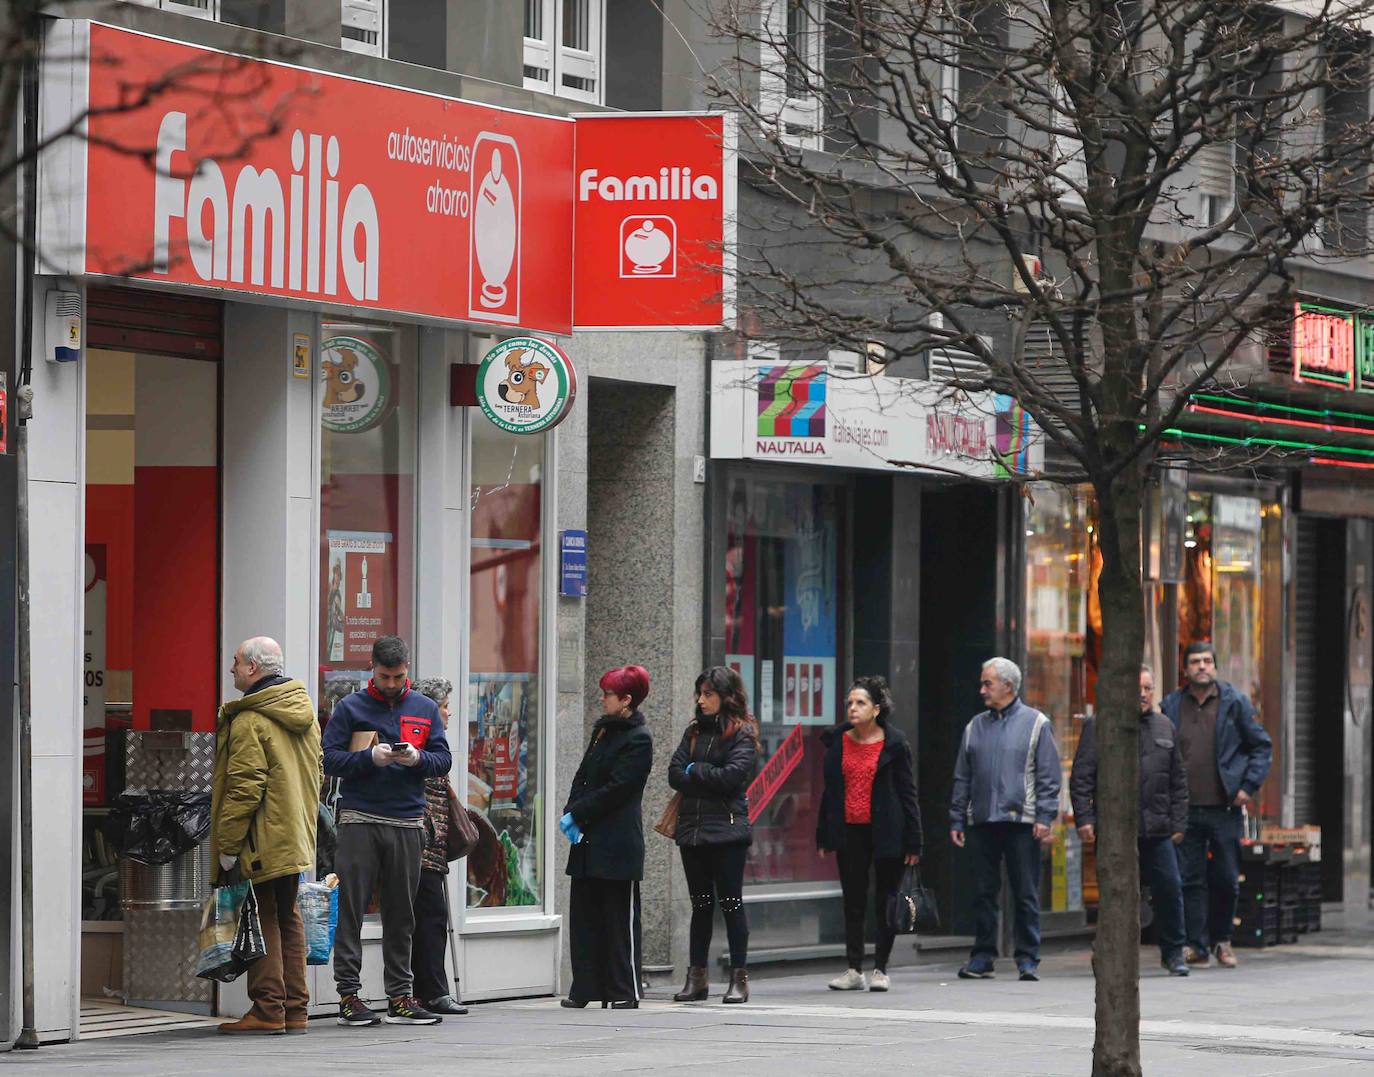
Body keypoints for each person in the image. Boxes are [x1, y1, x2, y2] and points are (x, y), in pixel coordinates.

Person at [322, 636, 452, 1027]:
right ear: (372, 670)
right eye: (384, 676)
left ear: (407, 669)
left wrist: (417, 758)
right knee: (351, 911)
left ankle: (400, 996)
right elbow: (328, 758)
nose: (392, 683)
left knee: (402, 914)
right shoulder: (350, 707)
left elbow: (443, 759)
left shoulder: (425, 708)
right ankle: (349, 996)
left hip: (407, 821)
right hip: (360, 818)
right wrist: (368, 758)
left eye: (398, 676)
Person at [211, 637, 323, 1034]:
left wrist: (227, 846)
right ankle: (296, 1010)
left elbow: (243, 788)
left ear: (253, 669)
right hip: (294, 834)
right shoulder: (303, 713)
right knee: (287, 916)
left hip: (262, 839)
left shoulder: (250, 720)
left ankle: (267, 1009)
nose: (232, 670)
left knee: (262, 918)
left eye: (237, 663)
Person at [1071, 665, 1190, 976]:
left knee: (1170, 889)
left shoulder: (1165, 726)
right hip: (1115, 831)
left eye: (1149, 688)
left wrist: (1179, 823)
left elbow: (1178, 780)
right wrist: (1085, 818)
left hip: (1158, 828)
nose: (1143, 694)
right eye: (1137, 687)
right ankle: (1111, 952)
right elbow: (1082, 777)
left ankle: (1174, 952)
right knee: (1116, 893)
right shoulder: (1100, 726)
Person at [1160, 641, 1272, 969]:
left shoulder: (1234, 702)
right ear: (1185, 669)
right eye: (1195, 662)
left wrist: (1247, 786)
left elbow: (1261, 746)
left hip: (1224, 807)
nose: (1202, 667)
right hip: (1184, 809)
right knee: (1189, 878)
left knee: (1224, 876)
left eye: (1207, 661)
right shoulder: (1171, 705)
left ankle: (1222, 939)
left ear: (1216, 666)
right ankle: (1196, 945)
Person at [950, 657, 1061, 982]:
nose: (982, 689)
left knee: (1025, 891)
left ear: (1008, 686)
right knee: (984, 892)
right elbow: (962, 777)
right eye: (983, 683)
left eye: (988, 683)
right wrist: (957, 818)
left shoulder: (1037, 723)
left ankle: (1027, 958)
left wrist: (1044, 815)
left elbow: (1048, 775)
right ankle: (982, 957)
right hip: (984, 820)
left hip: (1022, 821)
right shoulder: (974, 726)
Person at [816, 675, 923, 992]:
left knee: (886, 900)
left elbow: (908, 793)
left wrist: (915, 840)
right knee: (853, 900)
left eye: (860, 702)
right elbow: (830, 792)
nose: (853, 708)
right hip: (851, 832)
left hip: (887, 831)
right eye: (850, 702)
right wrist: (824, 834)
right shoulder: (838, 743)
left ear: (876, 709)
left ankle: (880, 968)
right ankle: (853, 968)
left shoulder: (895, 744)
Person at [561, 665, 654, 1009]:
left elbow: (619, 789)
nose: (603, 700)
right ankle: (585, 988)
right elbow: (583, 775)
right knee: (584, 916)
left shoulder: (638, 739)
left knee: (618, 920)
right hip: (588, 838)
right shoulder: (602, 731)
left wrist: (580, 812)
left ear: (626, 699)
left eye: (608, 695)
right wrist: (571, 808)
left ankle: (622, 991)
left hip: (616, 842)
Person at [667, 667, 760, 1005]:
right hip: (692, 832)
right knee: (701, 905)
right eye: (699, 693)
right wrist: (699, 774)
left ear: (726, 696)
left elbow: (732, 777)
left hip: (727, 832)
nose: (701, 700)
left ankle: (739, 978)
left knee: (732, 904)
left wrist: (697, 771)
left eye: (708, 694)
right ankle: (697, 978)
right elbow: (674, 773)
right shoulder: (693, 732)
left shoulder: (742, 734)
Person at [410, 678, 468, 1016]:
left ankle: (429, 989)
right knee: (429, 917)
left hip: (431, 845)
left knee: (430, 917)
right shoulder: (422, 742)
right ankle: (431, 990)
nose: (449, 713)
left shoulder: (434, 742)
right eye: (445, 706)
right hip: (422, 844)